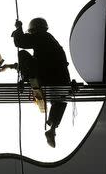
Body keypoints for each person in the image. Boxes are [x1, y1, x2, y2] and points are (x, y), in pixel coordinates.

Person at [6, 17, 70, 148]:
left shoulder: (40, 36)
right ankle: (52, 129)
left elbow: (20, 42)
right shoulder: (51, 41)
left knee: (22, 54)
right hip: (61, 79)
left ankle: (27, 80)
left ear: (34, 29)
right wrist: (11, 66)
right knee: (60, 100)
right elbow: (37, 62)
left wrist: (18, 28)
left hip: (45, 75)